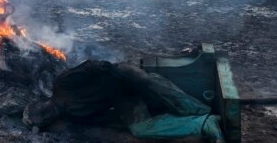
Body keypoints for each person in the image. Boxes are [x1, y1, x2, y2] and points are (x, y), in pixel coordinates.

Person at [22, 60, 224, 142]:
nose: (47, 116)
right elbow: (108, 117)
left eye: (42, 112)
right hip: (122, 100)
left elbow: (91, 67)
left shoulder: (61, 84)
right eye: (44, 119)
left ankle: (199, 109)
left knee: (149, 82)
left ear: (43, 103)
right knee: (140, 129)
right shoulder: (75, 115)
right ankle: (203, 123)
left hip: (119, 76)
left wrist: (115, 71)